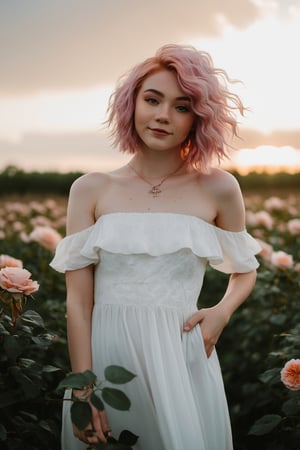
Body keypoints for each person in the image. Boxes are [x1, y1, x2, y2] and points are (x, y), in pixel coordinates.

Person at [50, 44, 261, 450]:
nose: (163, 115)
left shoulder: (218, 188)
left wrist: (220, 313)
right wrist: (84, 388)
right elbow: (77, 303)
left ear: (198, 119)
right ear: (132, 105)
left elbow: (245, 269)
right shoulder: (91, 188)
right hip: (106, 362)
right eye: (152, 99)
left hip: (181, 355)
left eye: (182, 107)